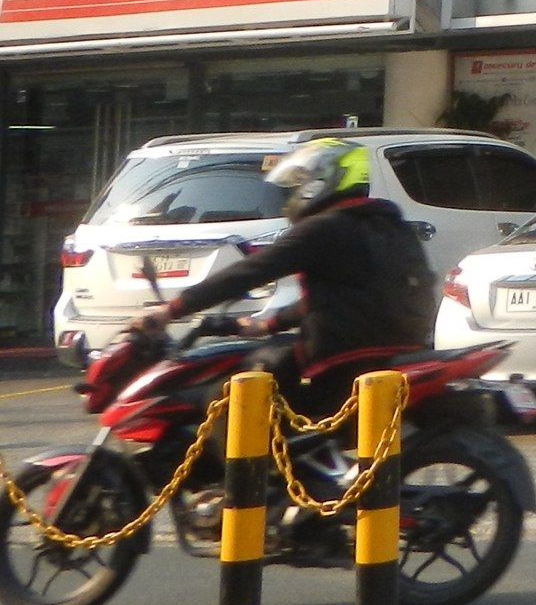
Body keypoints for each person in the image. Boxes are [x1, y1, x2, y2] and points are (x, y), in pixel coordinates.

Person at [127, 136, 438, 405]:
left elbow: (250, 272)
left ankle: (253, 473)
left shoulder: (323, 228)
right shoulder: (391, 225)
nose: (292, 195)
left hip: (342, 358)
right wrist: (269, 324)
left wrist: (171, 310)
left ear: (324, 180)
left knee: (228, 394)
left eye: (299, 183)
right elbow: (343, 295)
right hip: (402, 349)